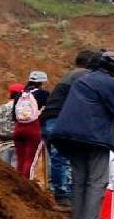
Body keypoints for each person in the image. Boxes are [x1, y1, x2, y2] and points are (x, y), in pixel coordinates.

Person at [48, 51, 114, 219]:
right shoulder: (111, 84)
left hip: (69, 136)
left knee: (79, 179)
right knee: (97, 180)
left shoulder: (81, 80)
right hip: (96, 137)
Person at [42, 50, 97, 206]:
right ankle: (64, 194)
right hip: (59, 118)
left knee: (58, 157)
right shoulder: (83, 75)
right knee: (63, 156)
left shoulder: (72, 74)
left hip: (49, 118)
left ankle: (60, 192)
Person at [12, 70, 49, 179]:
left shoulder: (20, 94)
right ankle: (26, 187)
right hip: (34, 130)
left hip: (18, 129)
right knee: (30, 161)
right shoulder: (44, 94)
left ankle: (17, 184)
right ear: (42, 82)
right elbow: (47, 112)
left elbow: (14, 115)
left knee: (21, 160)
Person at [0, 83, 24, 167]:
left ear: (10, 94)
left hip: (3, 146)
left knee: (3, 175)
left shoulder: (0, 109)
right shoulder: (24, 110)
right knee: (17, 177)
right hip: (19, 147)